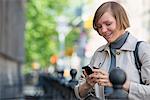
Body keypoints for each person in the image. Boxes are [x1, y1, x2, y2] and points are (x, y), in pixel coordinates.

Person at [74, 1, 150, 100]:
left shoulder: (142, 50)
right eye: (99, 27)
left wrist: (120, 84)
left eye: (108, 24)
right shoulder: (99, 53)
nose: (103, 30)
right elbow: (78, 94)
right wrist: (88, 84)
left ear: (120, 20)